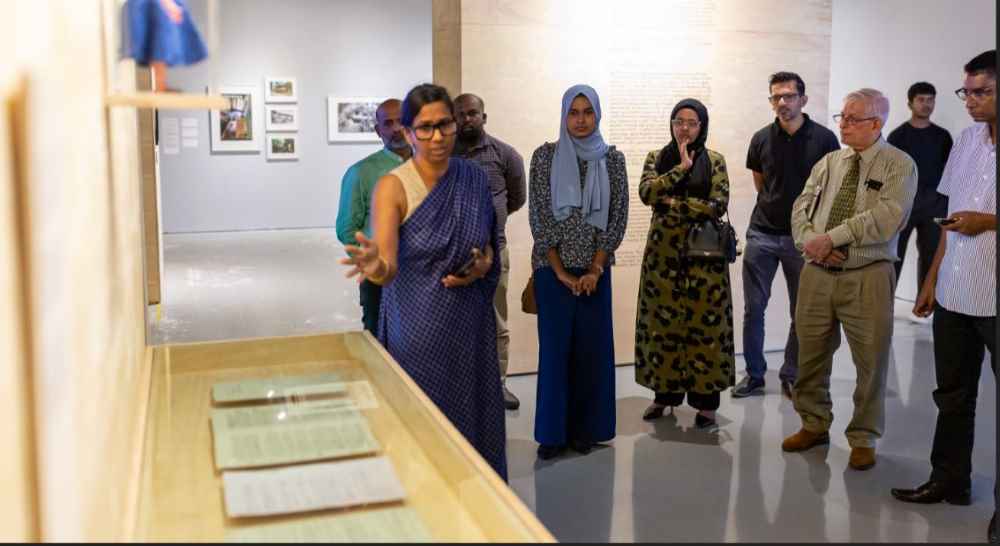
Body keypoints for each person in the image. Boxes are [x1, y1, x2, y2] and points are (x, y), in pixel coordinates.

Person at [340, 83, 507, 480]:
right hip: (419, 330)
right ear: (409, 132)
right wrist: (373, 264)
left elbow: (488, 245)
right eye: (425, 128)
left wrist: (484, 267)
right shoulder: (392, 187)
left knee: (473, 425)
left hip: (469, 327)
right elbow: (388, 267)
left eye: (445, 125)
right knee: (423, 432)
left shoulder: (473, 177)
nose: (437, 137)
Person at [889, 51, 996, 538]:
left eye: (982, 92)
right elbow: (952, 220)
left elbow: (975, 220)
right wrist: (931, 281)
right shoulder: (968, 141)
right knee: (952, 395)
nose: (970, 102)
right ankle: (948, 480)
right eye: (967, 92)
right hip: (955, 290)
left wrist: (990, 222)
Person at [783, 88, 917, 471]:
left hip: (867, 275)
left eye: (852, 119)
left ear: (876, 124)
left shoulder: (899, 164)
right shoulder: (829, 162)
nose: (843, 124)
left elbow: (888, 215)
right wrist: (811, 242)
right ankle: (813, 422)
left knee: (870, 362)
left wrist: (833, 238)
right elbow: (801, 206)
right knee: (809, 355)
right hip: (818, 274)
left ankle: (863, 437)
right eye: (842, 116)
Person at [528, 84, 628, 459]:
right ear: (564, 115)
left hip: (594, 272)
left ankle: (586, 429)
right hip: (551, 270)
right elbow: (539, 217)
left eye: (588, 112)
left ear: (597, 115)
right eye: (574, 112)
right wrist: (560, 272)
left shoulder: (612, 159)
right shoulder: (544, 157)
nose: (581, 120)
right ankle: (553, 434)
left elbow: (616, 217)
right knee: (555, 352)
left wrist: (595, 268)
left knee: (591, 351)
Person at [735, 72, 840, 399]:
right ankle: (754, 375)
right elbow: (761, 182)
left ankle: (791, 373)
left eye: (789, 96)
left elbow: (831, 188)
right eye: (776, 97)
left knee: (801, 310)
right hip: (762, 234)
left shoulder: (824, 140)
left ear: (803, 100)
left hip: (803, 239)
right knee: (754, 308)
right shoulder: (761, 138)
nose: (782, 102)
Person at [634, 98, 735, 429]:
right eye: (679, 121)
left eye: (692, 122)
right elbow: (648, 194)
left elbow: (717, 205)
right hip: (662, 260)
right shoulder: (657, 158)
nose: (685, 128)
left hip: (704, 260)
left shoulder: (716, 161)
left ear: (702, 126)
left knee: (705, 330)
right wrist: (681, 168)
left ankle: (706, 404)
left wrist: (672, 204)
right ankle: (664, 396)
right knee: (662, 328)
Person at [453, 93, 527, 410]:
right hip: (452, 254)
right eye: (460, 115)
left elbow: (516, 199)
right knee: (456, 321)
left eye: (472, 113)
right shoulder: (442, 155)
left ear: (484, 116)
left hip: (494, 250)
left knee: (497, 322)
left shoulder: (505, 155)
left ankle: (498, 385)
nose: (466, 119)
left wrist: (490, 222)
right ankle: (461, 387)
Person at [335, 99, 411, 333]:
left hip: (422, 275)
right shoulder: (361, 173)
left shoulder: (431, 168)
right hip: (379, 277)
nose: (396, 128)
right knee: (378, 341)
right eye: (388, 123)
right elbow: (347, 229)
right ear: (379, 131)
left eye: (401, 121)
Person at [887, 82, 954, 294]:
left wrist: (945, 203)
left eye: (930, 99)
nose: (926, 104)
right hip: (903, 205)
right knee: (894, 255)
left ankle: (925, 304)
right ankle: (886, 301)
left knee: (931, 255)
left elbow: (949, 172)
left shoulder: (943, 137)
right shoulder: (898, 136)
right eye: (921, 100)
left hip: (934, 206)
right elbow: (889, 173)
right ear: (910, 103)